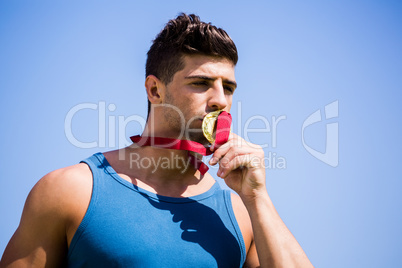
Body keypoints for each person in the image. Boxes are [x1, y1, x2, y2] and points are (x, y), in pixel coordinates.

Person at [0, 13, 313, 267]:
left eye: (228, 87)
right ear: (154, 90)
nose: (221, 100)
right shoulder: (70, 191)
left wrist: (258, 199)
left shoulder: (241, 214)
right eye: (201, 83)